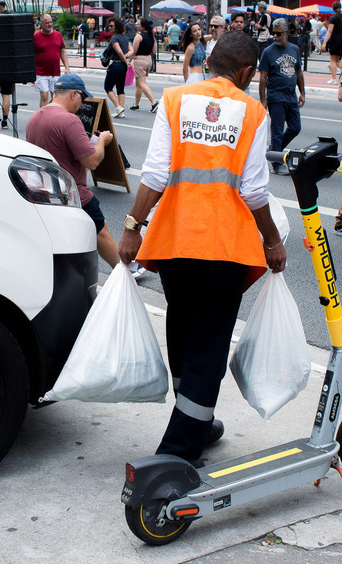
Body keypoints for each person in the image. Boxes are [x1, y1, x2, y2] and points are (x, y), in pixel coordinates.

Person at [118, 31, 287, 467]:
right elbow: (252, 190)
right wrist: (271, 240)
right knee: (209, 345)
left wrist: (133, 227)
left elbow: (155, 172)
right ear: (247, 72)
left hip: (175, 242)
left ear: (208, 61)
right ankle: (178, 450)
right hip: (224, 247)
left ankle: (196, 418)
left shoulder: (174, 100)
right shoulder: (253, 112)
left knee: (183, 326)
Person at [26, 74, 131, 274]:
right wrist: (102, 141)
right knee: (101, 231)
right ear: (74, 94)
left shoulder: (36, 116)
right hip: (72, 192)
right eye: (82, 99)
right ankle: (124, 272)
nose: (82, 105)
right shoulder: (69, 120)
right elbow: (91, 161)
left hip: (43, 190)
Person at [259, 18, 305, 176]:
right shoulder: (268, 52)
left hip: (291, 96)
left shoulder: (295, 49)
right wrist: (263, 100)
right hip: (276, 97)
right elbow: (263, 77)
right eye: (273, 33)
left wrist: (302, 93)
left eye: (278, 33)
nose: (275, 36)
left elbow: (299, 72)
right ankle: (276, 163)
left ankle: (274, 151)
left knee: (295, 127)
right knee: (277, 132)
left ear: (287, 33)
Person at [34, 14, 70, 107]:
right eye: (47, 23)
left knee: (55, 98)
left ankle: (50, 114)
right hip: (41, 72)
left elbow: (62, 51)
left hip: (55, 72)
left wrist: (67, 67)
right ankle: (43, 118)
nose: (49, 24)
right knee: (44, 96)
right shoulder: (36, 36)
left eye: (51, 22)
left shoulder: (58, 35)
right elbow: (31, 55)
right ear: (41, 23)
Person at [125, 17, 159, 113]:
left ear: (143, 26)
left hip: (139, 60)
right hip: (148, 60)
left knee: (141, 83)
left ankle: (154, 102)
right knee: (138, 83)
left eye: (138, 23)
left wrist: (131, 61)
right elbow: (154, 51)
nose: (136, 25)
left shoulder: (138, 36)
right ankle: (136, 104)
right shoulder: (152, 36)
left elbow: (134, 51)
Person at [103, 17, 131, 118]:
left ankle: (118, 107)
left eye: (111, 26)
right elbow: (131, 50)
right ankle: (121, 111)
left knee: (108, 86)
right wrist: (126, 58)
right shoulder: (125, 37)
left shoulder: (114, 38)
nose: (109, 28)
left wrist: (124, 59)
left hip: (116, 64)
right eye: (109, 26)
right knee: (120, 88)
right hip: (123, 66)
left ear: (117, 26)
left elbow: (119, 51)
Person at [322, 2, 342, 84]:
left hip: (334, 39)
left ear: (333, 8)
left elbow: (330, 31)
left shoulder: (333, 18)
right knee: (337, 60)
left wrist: (324, 42)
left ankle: (333, 79)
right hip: (341, 39)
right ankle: (334, 78)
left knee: (332, 60)